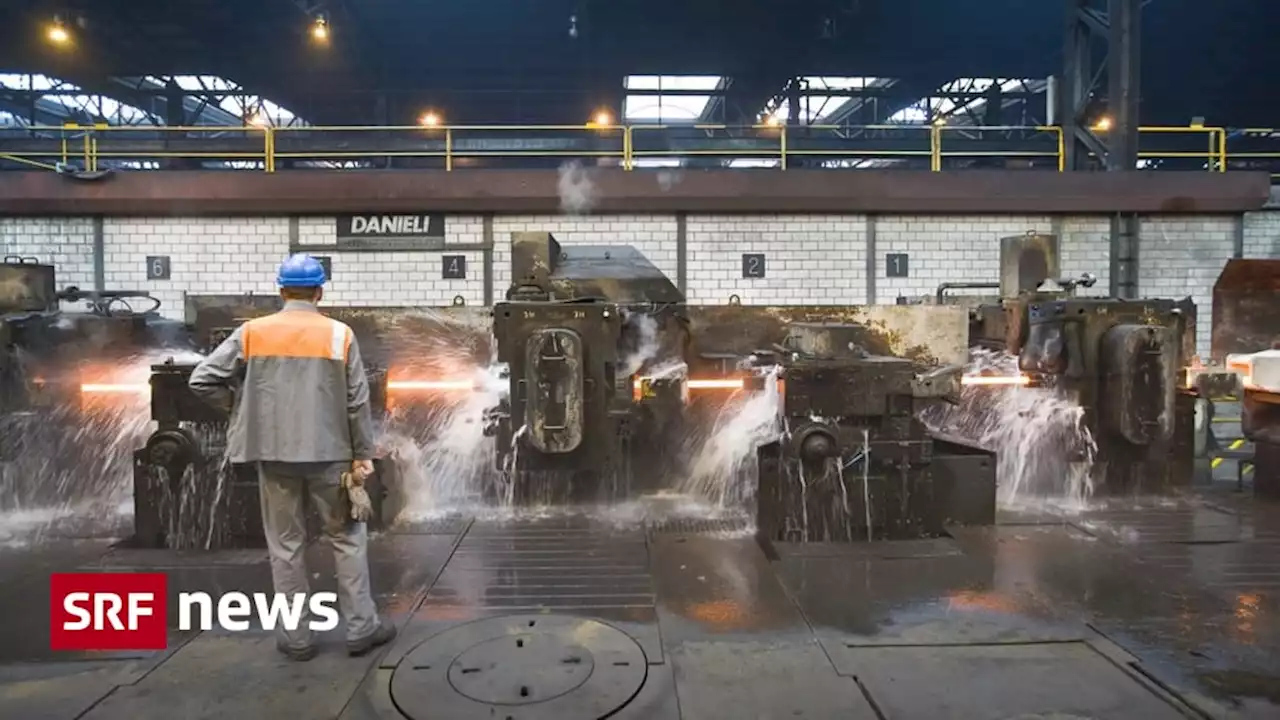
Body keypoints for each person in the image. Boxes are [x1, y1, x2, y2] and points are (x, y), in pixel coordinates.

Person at [188, 253, 396, 661]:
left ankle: (296, 638)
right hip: (332, 455)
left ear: (281, 290)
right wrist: (362, 456)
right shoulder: (340, 335)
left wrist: (239, 409)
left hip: (274, 453)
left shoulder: (252, 333)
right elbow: (357, 401)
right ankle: (360, 629)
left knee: (285, 546)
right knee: (348, 539)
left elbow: (202, 379)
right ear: (320, 291)